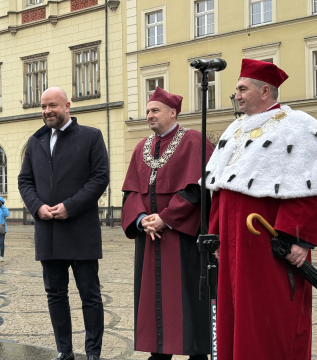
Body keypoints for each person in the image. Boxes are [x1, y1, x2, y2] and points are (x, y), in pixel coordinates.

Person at [205, 59, 317, 360]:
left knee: (269, 312)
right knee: (234, 309)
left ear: (265, 90)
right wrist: (215, 235)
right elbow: (218, 188)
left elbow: (306, 188)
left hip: (269, 243)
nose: (237, 95)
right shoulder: (235, 128)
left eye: (242, 89)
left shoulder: (298, 126)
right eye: (236, 90)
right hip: (233, 241)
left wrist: (298, 239)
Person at [121, 87, 213, 360]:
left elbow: (197, 189)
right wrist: (141, 220)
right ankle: (158, 352)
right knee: (152, 298)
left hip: (183, 237)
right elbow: (130, 193)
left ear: (173, 113)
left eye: (154, 110)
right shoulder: (141, 147)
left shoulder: (194, 141)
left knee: (187, 297)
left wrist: (166, 218)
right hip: (149, 238)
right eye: (147, 111)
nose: (149, 115)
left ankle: (196, 351)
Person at [18, 87, 109, 360]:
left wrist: (71, 206)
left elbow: (100, 177)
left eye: (53, 106)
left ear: (67, 106)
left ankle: (93, 352)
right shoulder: (36, 141)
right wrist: (37, 207)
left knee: (89, 296)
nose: (47, 111)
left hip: (81, 230)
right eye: (43, 106)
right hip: (49, 231)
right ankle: (64, 350)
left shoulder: (91, 136)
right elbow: (25, 180)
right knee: (55, 295)